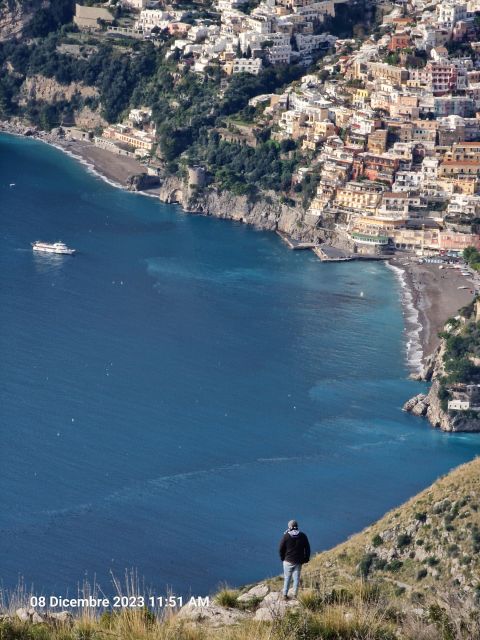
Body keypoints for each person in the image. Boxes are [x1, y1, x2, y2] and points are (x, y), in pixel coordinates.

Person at [278, 519, 310, 600]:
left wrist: (282, 558)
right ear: (297, 526)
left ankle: (285, 595)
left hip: (287, 560)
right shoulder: (303, 535)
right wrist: (306, 558)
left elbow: (280, 548)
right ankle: (295, 595)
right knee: (296, 579)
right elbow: (307, 548)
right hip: (298, 561)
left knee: (287, 578)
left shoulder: (286, 536)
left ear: (290, 526)